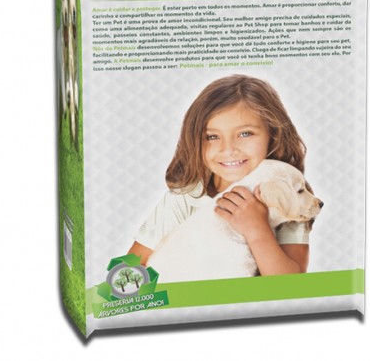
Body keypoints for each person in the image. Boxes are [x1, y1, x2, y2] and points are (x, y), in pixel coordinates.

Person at [128, 75, 312, 275]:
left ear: (273, 135)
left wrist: (257, 229)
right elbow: (125, 273)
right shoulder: (183, 200)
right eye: (212, 136)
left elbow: (291, 285)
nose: (228, 149)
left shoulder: (292, 199)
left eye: (245, 133)